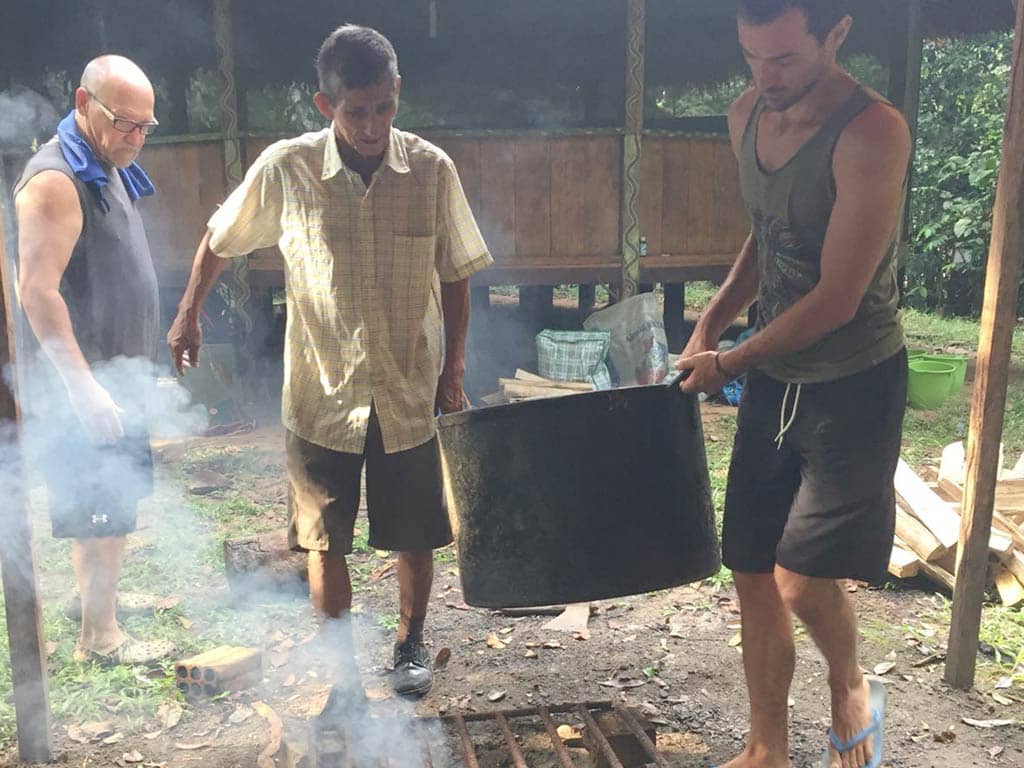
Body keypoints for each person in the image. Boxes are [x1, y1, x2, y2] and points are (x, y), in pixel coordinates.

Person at [167, 24, 491, 699]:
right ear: (326, 106)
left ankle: (409, 643)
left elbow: (458, 272)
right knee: (324, 542)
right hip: (321, 393)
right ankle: (341, 671)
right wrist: (187, 311)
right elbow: (219, 237)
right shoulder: (287, 168)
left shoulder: (432, 170)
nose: (372, 126)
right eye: (355, 112)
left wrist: (453, 370)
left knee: (415, 532)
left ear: (397, 93)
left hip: (408, 387)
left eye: (383, 108)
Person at [676, 2, 911, 767]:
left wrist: (731, 362)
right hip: (777, 382)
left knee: (800, 581)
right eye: (752, 57)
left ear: (835, 34)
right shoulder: (746, 113)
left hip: (853, 384)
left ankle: (849, 680)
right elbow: (765, 228)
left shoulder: (872, 132)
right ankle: (765, 748)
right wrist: (712, 320)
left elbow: (838, 296)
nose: (765, 78)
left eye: (782, 59)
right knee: (748, 569)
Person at [14, 55, 172, 665]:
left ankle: (94, 604)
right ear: (83, 103)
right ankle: (99, 638)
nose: (135, 136)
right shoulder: (56, 179)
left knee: (117, 497)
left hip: (118, 373)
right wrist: (83, 389)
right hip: (86, 379)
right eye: (123, 122)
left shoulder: (105, 163)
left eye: (145, 127)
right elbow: (37, 291)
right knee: (98, 501)